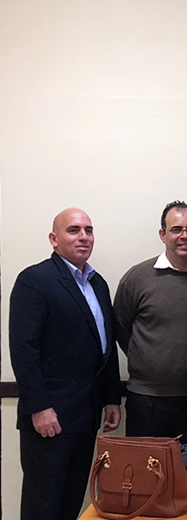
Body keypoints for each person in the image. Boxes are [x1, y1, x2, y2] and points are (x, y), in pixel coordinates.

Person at [9, 208, 121, 520]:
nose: (83, 237)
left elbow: (105, 345)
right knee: (43, 506)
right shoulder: (35, 280)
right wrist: (39, 407)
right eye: (73, 230)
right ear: (54, 239)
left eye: (88, 230)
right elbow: (23, 349)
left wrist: (111, 397)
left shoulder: (97, 284)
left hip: (86, 416)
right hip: (50, 419)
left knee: (72, 502)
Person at [114, 201, 187, 443]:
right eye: (176, 229)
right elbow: (121, 328)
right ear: (162, 234)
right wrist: (149, 359)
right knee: (145, 476)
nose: (184, 236)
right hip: (146, 400)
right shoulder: (138, 278)